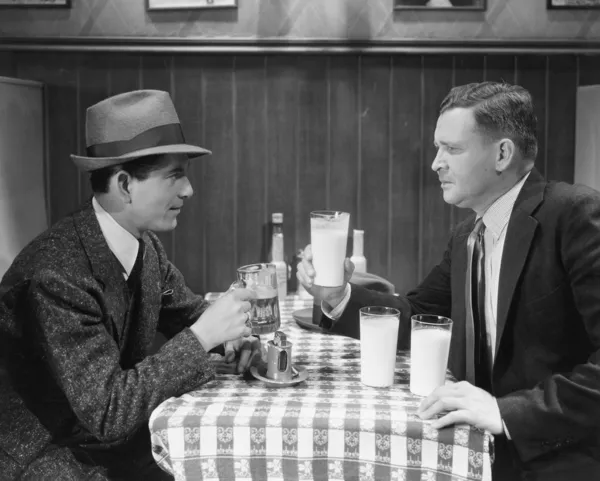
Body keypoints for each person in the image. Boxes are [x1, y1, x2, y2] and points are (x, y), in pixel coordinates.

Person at [298, 81, 600, 480]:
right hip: (475, 447)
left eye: (452, 149)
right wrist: (337, 294)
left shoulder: (575, 214)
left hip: (562, 455)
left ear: (502, 154)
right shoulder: (466, 236)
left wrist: (506, 411)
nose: (435, 163)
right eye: (438, 148)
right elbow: (418, 315)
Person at [0, 89, 261, 480]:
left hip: (107, 442)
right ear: (124, 185)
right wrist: (203, 336)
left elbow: (188, 313)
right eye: (175, 175)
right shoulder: (55, 275)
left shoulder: (144, 247)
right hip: (48, 455)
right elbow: (108, 411)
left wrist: (232, 338)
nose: (188, 190)